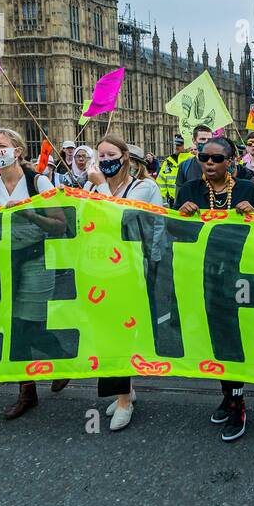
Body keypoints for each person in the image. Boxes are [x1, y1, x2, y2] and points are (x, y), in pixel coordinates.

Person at [176, 136, 254, 442]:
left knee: (233, 342)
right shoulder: (189, 190)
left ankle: (238, 404)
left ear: (231, 161)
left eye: (216, 159)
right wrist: (182, 213)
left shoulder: (245, 190)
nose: (209, 163)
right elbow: (173, 232)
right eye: (204, 157)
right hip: (201, 277)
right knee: (213, 341)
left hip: (238, 279)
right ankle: (226, 396)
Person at [0, 127, 69, 420]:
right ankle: (28, 390)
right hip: (5, 262)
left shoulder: (38, 181)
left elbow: (60, 224)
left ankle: (61, 361)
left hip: (36, 259)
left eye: (1, 145)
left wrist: (30, 214)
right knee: (14, 327)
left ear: (17, 151)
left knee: (30, 325)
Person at [85, 134, 163, 431]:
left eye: (110, 155)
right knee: (102, 333)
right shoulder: (91, 186)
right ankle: (124, 390)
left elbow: (117, 216)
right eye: (100, 156)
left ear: (125, 157)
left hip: (128, 269)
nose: (105, 161)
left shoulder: (144, 187)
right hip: (95, 267)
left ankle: (123, 401)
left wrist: (152, 264)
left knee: (120, 334)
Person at [156, 133, 187, 205]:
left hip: (188, 201)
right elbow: (161, 181)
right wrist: (161, 200)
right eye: (175, 145)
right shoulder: (168, 161)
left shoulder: (191, 159)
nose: (176, 147)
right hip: (172, 202)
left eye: (179, 145)